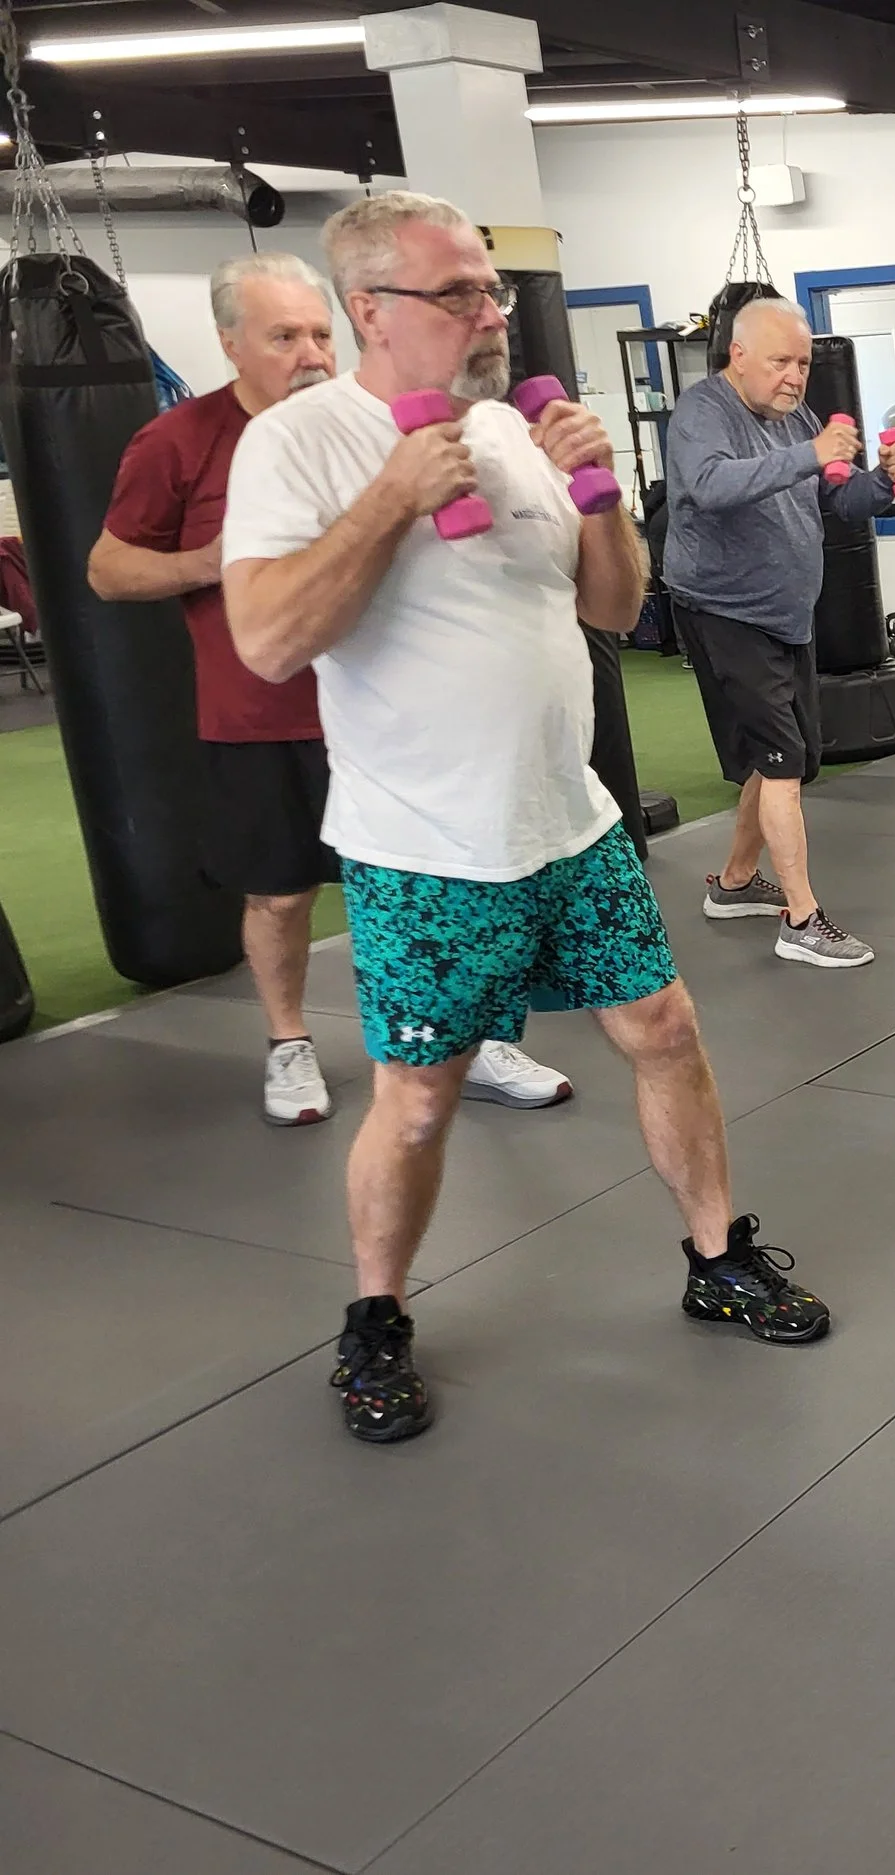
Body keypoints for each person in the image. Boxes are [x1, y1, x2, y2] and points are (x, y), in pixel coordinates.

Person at [222, 192, 835, 1445]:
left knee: (664, 1027)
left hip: (573, 819)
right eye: (458, 294)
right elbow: (270, 640)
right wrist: (393, 497)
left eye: (490, 289)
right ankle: (377, 1319)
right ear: (371, 311)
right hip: (424, 848)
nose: (490, 313)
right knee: (420, 1098)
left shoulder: (508, 428)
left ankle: (717, 1259)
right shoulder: (302, 445)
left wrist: (597, 495)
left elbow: (611, 609)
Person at [88, 249, 572, 1125]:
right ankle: (289, 1042)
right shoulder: (180, 440)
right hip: (266, 714)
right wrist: (231, 563)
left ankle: (481, 1032)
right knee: (280, 893)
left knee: (453, 883)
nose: (309, 354)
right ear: (230, 343)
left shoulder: (386, 420)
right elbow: (107, 568)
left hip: (400, 713)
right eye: (282, 337)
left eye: (318, 333)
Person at [666, 296, 895, 968]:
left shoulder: (793, 416)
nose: (795, 375)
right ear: (737, 355)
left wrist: (883, 485)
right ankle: (802, 918)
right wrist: (810, 451)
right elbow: (713, 486)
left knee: (782, 757)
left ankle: (736, 882)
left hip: (785, 612)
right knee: (782, 759)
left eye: (803, 363)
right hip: (723, 610)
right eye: (782, 360)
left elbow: (837, 499)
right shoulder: (701, 414)